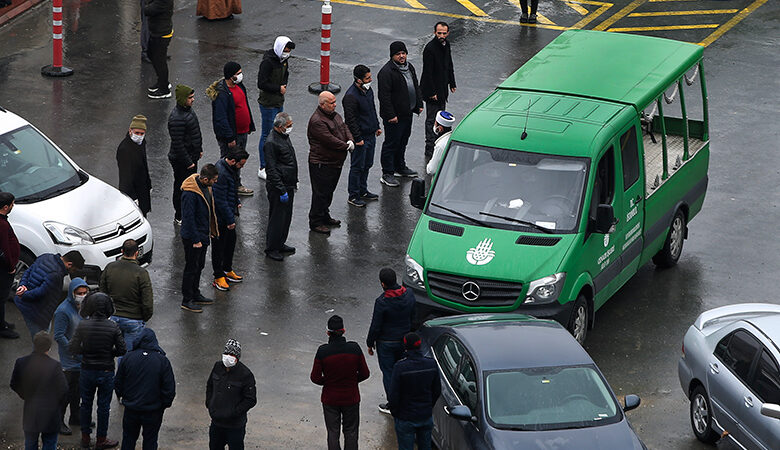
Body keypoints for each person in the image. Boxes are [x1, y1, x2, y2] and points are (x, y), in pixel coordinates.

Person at [69, 292, 125, 449]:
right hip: (106, 370)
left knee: (85, 404)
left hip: (87, 369)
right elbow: (122, 350)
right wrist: (108, 353)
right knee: (103, 406)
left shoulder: (83, 325)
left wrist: (86, 351)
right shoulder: (113, 326)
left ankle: (85, 438)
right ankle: (101, 439)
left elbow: (72, 347)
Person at [310, 315, 370, 450]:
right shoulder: (354, 348)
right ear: (344, 330)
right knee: (351, 431)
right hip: (351, 397)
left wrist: (329, 381)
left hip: (330, 398)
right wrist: (352, 381)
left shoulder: (323, 351)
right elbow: (365, 373)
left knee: (333, 432)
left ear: (328, 332)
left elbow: (315, 377)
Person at [115, 328, 175, 450]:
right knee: (150, 440)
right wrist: (163, 405)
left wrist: (123, 397)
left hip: (131, 409)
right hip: (153, 410)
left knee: (128, 439)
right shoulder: (162, 361)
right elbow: (169, 388)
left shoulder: (128, 358)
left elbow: (118, 382)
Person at [366, 267, 416, 414]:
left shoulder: (382, 302)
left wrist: (370, 343)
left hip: (386, 343)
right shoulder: (409, 294)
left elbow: (376, 325)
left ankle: (393, 404)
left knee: (389, 374)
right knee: (403, 370)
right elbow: (414, 316)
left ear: (383, 284)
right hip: (404, 341)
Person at [10, 331, 68, 450]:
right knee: (50, 443)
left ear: (34, 344)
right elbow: (63, 389)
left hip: (31, 411)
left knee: (30, 443)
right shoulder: (55, 365)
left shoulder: (21, 362)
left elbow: (14, 384)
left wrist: (25, 395)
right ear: (49, 347)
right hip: (50, 413)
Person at [307, 91, 354, 235]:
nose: (335, 105)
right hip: (322, 163)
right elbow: (329, 140)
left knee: (328, 192)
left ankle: (324, 215)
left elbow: (344, 127)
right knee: (320, 193)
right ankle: (316, 221)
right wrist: (346, 146)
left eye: (335, 102)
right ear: (322, 104)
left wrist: (350, 139)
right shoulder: (317, 121)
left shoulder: (333, 115)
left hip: (334, 162)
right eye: (332, 103)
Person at [377, 41, 423, 188]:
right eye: (398, 54)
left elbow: (415, 85)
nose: (402, 56)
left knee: (403, 141)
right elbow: (384, 97)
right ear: (392, 56)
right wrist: (391, 115)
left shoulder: (410, 67)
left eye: (403, 53)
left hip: (407, 113)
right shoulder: (386, 72)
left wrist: (419, 104)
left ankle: (400, 167)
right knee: (391, 143)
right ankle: (387, 173)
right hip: (394, 117)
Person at [207, 61, 255, 196]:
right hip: (232, 136)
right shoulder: (222, 93)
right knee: (229, 162)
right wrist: (229, 137)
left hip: (242, 131)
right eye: (238, 73)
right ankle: (227, 187)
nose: (240, 76)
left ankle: (235, 184)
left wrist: (249, 124)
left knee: (239, 161)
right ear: (230, 76)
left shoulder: (239, 86)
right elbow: (221, 118)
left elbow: (244, 105)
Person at [14, 250, 85, 339]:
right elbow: (40, 292)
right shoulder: (56, 274)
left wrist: (22, 286)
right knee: (41, 340)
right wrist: (24, 295)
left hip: (26, 305)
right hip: (36, 312)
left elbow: (28, 271)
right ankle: (40, 352)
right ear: (69, 264)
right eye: (74, 270)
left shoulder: (45, 256)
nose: (73, 272)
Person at [388, 332, 441, 450]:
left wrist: (396, 412)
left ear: (405, 346)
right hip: (425, 415)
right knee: (425, 446)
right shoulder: (431, 364)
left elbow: (393, 394)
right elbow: (437, 390)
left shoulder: (400, 367)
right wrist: (428, 406)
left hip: (405, 417)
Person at [100, 239, 153, 352]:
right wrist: (144, 317)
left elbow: (102, 294)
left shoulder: (110, 267)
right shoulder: (141, 273)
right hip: (134, 319)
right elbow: (147, 302)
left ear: (121, 251)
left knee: (106, 352)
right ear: (137, 253)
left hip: (112, 317)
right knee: (127, 356)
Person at [179, 165, 219, 313]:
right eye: (213, 180)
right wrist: (196, 239)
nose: (215, 182)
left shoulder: (205, 187)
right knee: (191, 267)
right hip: (193, 238)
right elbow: (188, 218)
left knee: (199, 265)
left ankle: (195, 293)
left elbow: (210, 209)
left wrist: (211, 230)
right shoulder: (190, 194)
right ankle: (187, 299)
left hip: (203, 234)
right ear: (205, 179)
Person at [52, 277, 88, 435]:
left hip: (81, 358)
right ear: (72, 293)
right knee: (65, 393)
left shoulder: (84, 307)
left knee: (78, 391)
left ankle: (75, 416)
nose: (82, 295)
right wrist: (73, 350)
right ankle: (58, 421)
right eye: (79, 293)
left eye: (84, 292)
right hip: (69, 360)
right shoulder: (63, 310)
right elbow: (59, 335)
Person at [206, 339, 257, 450]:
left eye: (231, 354)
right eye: (226, 353)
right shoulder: (217, 367)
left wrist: (234, 412)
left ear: (237, 358)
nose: (228, 356)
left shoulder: (246, 375)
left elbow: (250, 399)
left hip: (235, 426)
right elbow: (210, 386)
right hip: (216, 423)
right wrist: (210, 404)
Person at [343, 64, 382, 207]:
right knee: (357, 166)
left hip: (370, 134)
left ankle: (362, 190)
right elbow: (350, 120)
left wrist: (376, 126)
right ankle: (353, 195)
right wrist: (357, 139)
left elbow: (372, 109)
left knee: (367, 164)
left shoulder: (368, 91)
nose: (370, 80)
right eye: (367, 78)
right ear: (358, 80)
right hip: (360, 138)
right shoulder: (350, 96)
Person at [256, 36, 295, 181]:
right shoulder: (267, 62)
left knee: (278, 133)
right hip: (268, 103)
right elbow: (261, 83)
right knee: (267, 135)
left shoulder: (283, 61)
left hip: (278, 101)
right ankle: (263, 166)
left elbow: (286, 75)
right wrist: (278, 88)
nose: (287, 53)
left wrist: (283, 85)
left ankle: (273, 162)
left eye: (289, 51)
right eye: (285, 50)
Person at [263, 112, 297, 261]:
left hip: (288, 184)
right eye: (288, 126)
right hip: (279, 188)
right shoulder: (271, 142)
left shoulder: (284, 137)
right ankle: (272, 248)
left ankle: (280, 243)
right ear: (280, 127)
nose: (290, 128)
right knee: (277, 219)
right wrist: (281, 189)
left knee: (285, 218)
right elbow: (271, 169)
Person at [212, 150, 248, 289]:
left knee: (230, 242)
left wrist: (236, 200)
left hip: (227, 214)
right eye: (241, 164)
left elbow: (231, 189)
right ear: (233, 161)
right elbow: (220, 200)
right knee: (219, 246)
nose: (242, 167)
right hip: (221, 218)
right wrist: (229, 220)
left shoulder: (229, 169)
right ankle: (218, 275)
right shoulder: (221, 173)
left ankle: (227, 269)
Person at [168, 84, 204, 225]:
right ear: (183, 99)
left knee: (190, 187)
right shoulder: (176, 118)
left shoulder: (187, 111)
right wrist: (189, 161)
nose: (193, 100)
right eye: (190, 97)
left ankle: (188, 212)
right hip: (182, 161)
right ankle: (180, 215)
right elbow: (178, 144)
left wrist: (198, 150)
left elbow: (194, 134)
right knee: (181, 188)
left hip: (191, 158)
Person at [420, 22, 456, 159]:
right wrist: (431, 92)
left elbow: (449, 64)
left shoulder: (446, 45)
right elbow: (427, 72)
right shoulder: (430, 48)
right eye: (439, 33)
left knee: (441, 118)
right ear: (435, 32)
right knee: (431, 120)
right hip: (433, 91)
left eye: (444, 33)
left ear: (448, 33)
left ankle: (438, 143)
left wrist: (452, 82)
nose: (441, 36)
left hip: (442, 89)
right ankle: (430, 147)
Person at [116, 114, 152, 217]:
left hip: (142, 189)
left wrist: (148, 184)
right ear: (130, 131)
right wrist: (131, 197)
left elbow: (144, 166)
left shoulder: (141, 143)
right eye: (137, 133)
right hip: (133, 193)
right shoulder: (124, 149)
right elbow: (125, 176)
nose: (139, 136)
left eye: (142, 133)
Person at [0, 191, 20, 339]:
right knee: (1, 299)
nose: (14, 206)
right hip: (4, 269)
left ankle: (2, 323)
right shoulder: (2, 225)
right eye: (12, 204)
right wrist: (11, 266)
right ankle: (1, 328)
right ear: (6, 207)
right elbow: (5, 249)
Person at [144, 0, 174, 99]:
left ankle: (164, 89)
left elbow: (148, 10)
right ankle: (162, 81)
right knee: (151, 54)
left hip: (161, 33)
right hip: (156, 31)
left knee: (159, 61)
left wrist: (146, 5)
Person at [425, 111, 456, 175]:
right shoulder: (452, 138)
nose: (434, 125)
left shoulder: (440, 146)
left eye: (435, 123)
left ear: (440, 128)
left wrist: (429, 164)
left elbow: (431, 170)